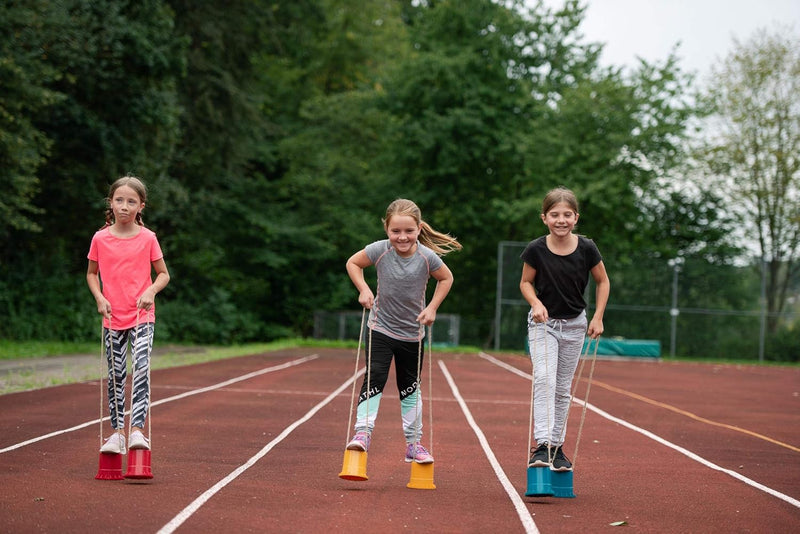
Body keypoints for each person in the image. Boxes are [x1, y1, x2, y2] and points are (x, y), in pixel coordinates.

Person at [344, 199, 461, 464]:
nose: (402, 237)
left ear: (419, 229)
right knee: (374, 378)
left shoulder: (426, 257)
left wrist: (431, 308)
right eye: (396, 231)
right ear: (386, 228)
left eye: (408, 231)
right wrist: (364, 288)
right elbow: (353, 263)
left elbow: (447, 278)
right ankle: (362, 434)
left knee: (409, 389)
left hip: (412, 334)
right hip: (380, 328)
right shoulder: (379, 250)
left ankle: (413, 444)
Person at [520, 186, 609, 472]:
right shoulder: (535, 249)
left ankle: (556, 447)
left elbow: (603, 281)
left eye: (567, 215)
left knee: (562, 389)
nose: (561, 220)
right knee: (544, 378)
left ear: (576, 217)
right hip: (543, 325)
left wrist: (598, 317)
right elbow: (525, 282)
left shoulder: (587, 248)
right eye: (555, 215)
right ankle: (542, 445)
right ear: (544, 218)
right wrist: (535, 303)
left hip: (575, 326)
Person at [87, 176, 170, 454]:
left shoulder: (148, 238)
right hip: (112, 318)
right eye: (119, 200)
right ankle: (117, 433)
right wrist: (99, 298)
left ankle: (136, 431)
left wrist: (150, 292)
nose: (124, 206)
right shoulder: (100, 238)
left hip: (141, 316)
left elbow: (163, 275)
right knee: (116, 375)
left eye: (131, 201)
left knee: (142, 369)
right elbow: (91, 274)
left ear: (141, 206)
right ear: (111, 203)